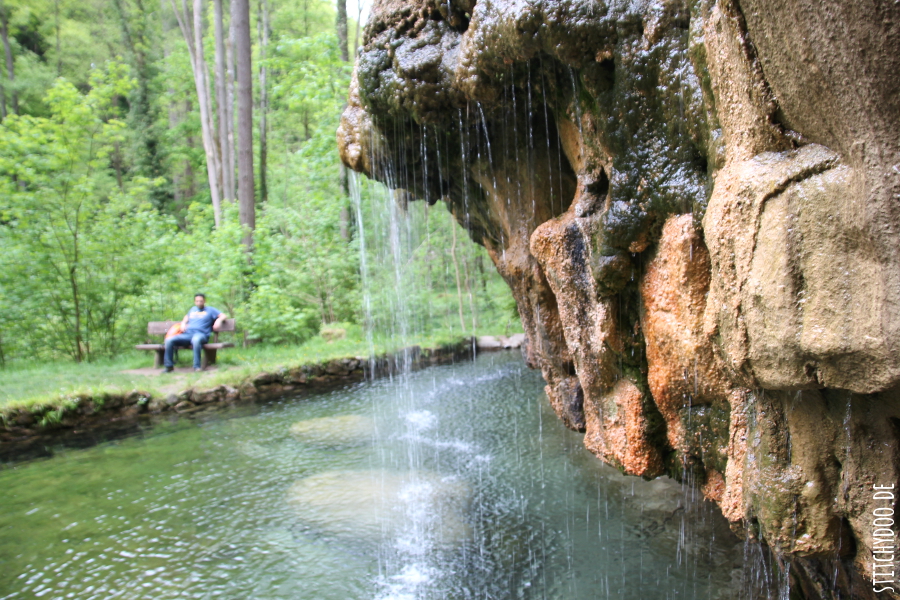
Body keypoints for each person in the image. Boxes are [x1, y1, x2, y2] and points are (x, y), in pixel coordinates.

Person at [163, 294, 227, 372]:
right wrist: (183, 323)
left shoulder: (210, 310)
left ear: (204, 301)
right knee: (169, 340)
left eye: (201, 301)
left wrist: (219, 320)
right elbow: (187, 317)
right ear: (194, 302)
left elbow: (223, 315)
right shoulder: (193, 309)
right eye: (197, 301)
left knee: (196, 340)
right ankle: (169, 366)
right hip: (188, 334)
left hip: (201, 335)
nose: (199, 303)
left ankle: (197, 367)